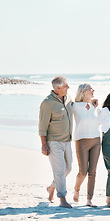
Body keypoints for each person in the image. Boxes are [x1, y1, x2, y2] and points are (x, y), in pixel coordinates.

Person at [39, 76, 73, 208]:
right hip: (54, 142)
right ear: (58, 88)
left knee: (68, 169)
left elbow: (76, 107)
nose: (68, 88)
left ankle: (51, 187)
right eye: (66, 86)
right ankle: (62, 198)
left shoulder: (68, 98)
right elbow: (42, 126)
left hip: (67, 141)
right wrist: (44, 144)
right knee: (59, 171)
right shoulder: (47, 103)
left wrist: (90, 102)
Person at [71, 83, 101, 207]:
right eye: (90, 88)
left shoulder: (94, 106)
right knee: (82, 172)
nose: (93, 90)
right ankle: (76, 189)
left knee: (92, 172)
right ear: (83, 91)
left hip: (96, 141)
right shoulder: (74, 106)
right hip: (81, 141)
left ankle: (89, 199)